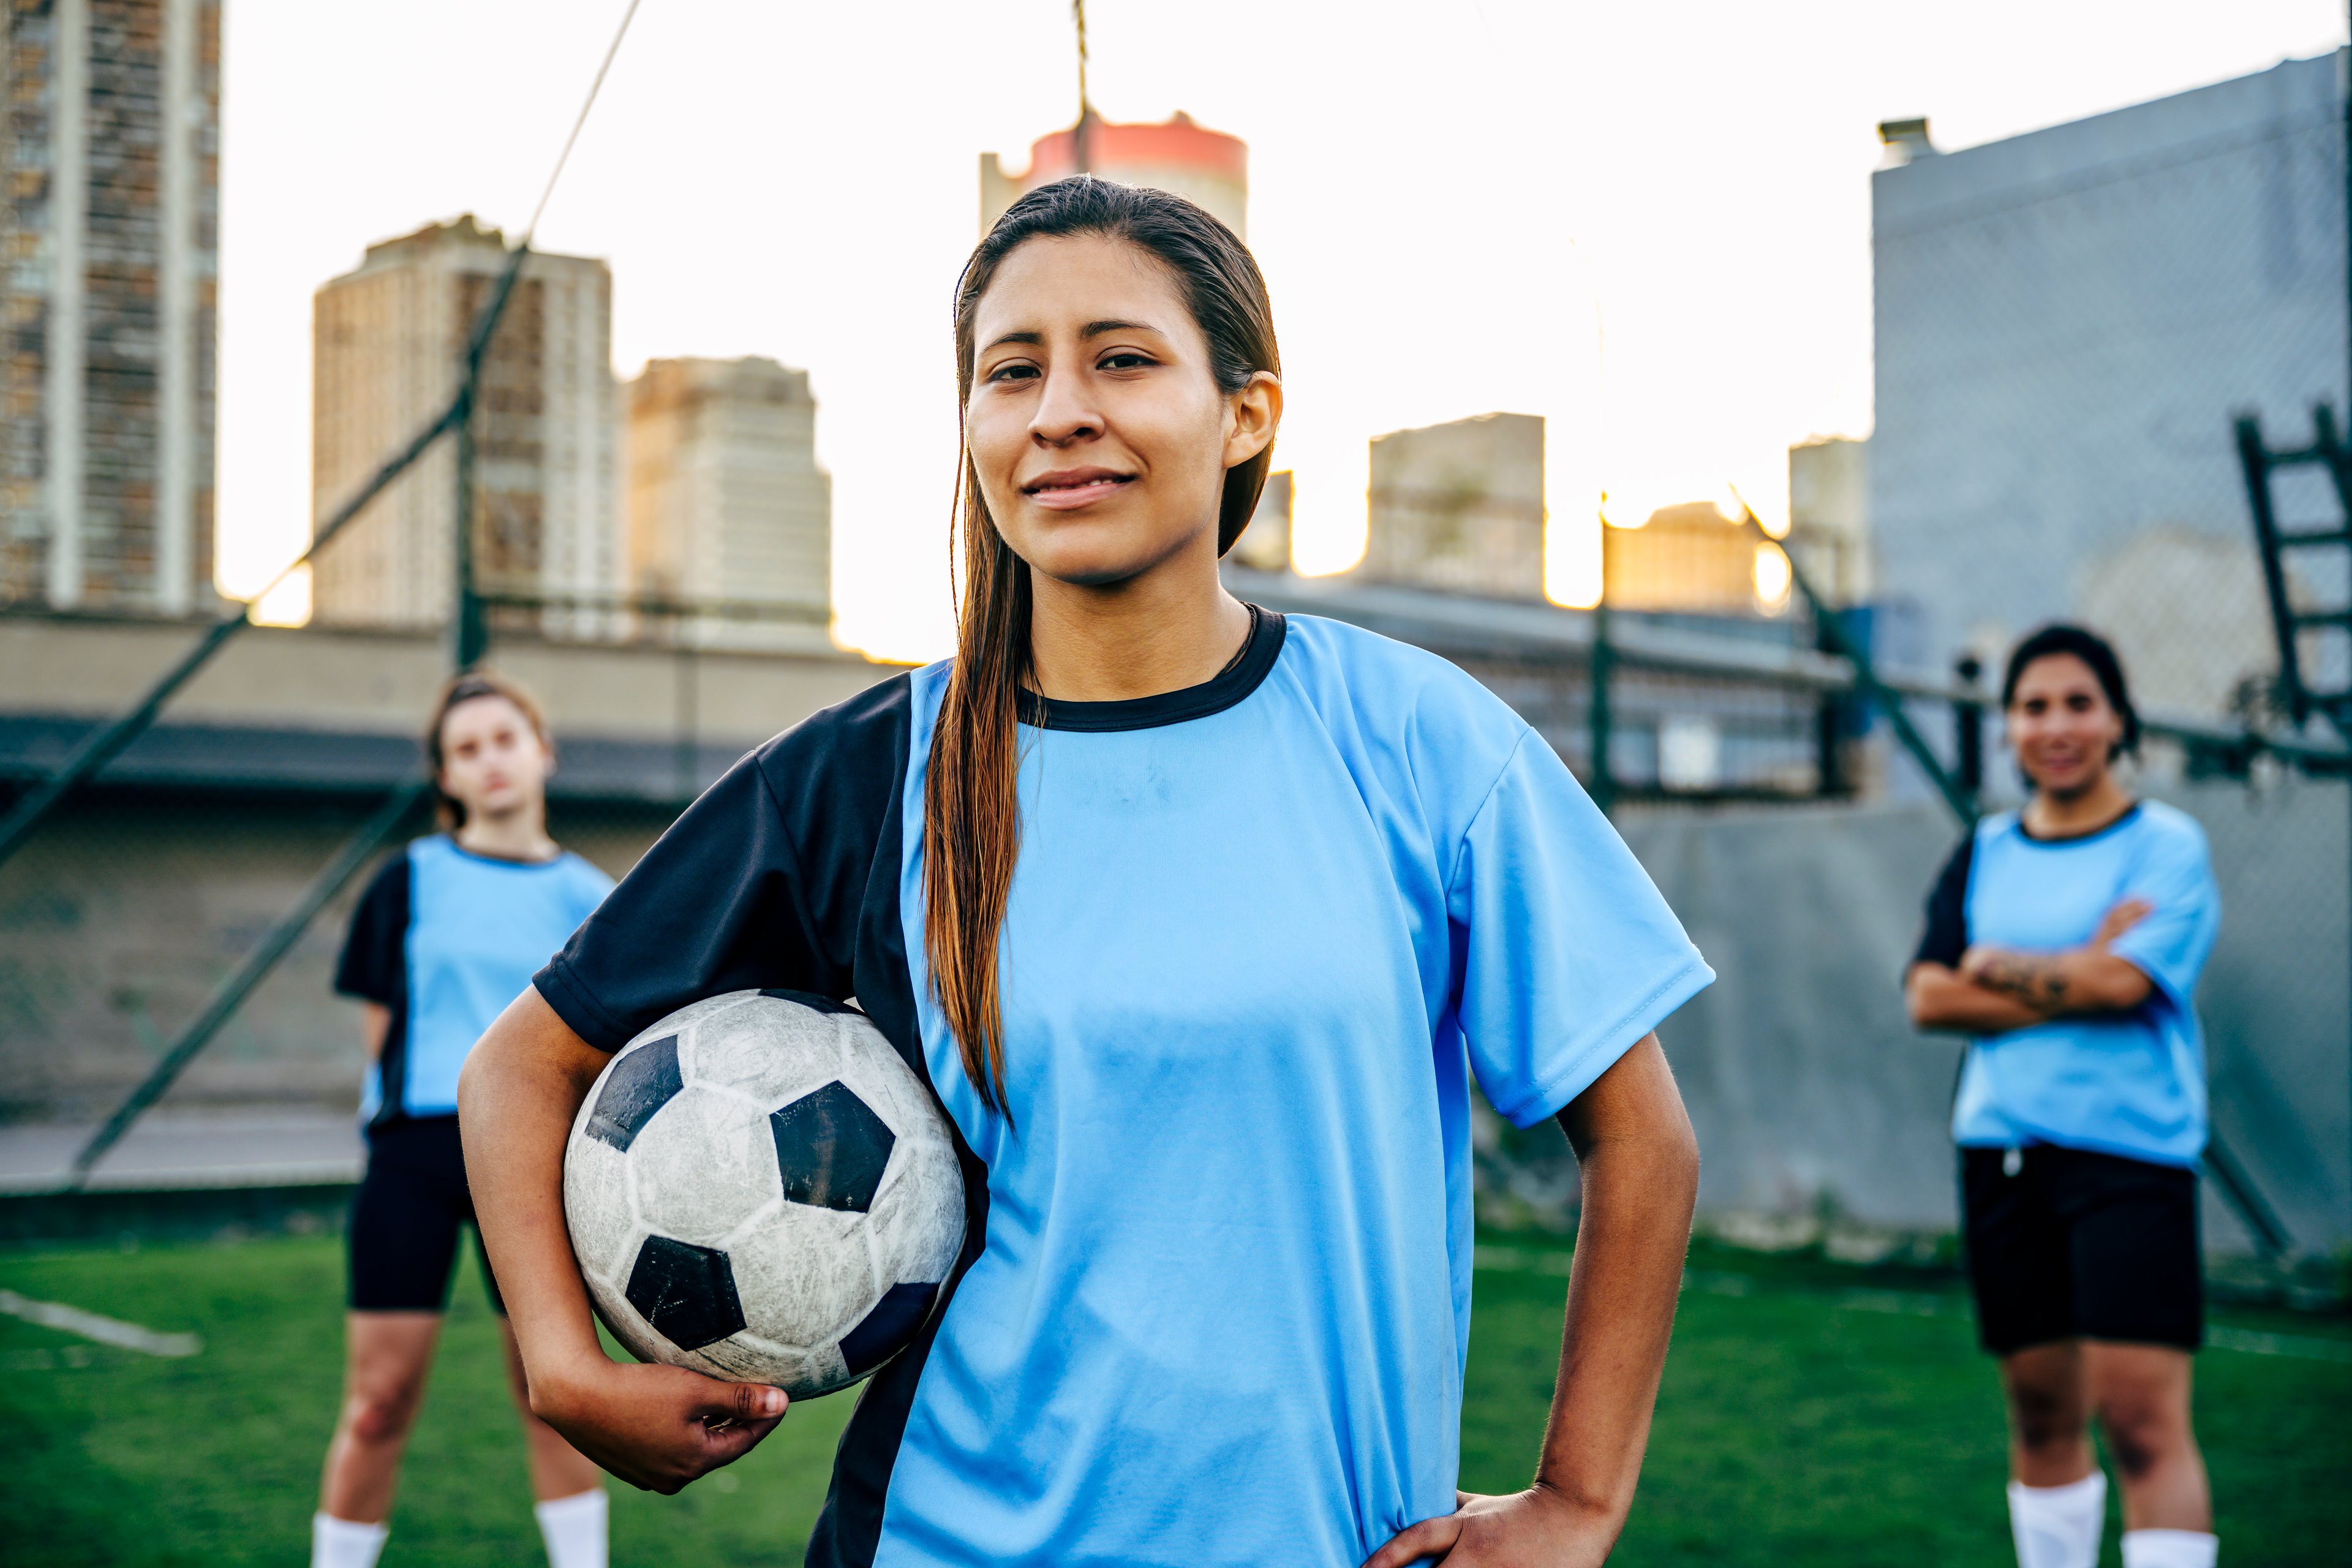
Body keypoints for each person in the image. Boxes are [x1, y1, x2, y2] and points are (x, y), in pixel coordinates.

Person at [462, 177, 1712, 1568]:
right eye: (1012, 372)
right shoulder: (879, 771)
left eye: (1121, 358)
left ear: (1247, 412)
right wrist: (561, 1364)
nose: (1058, 408)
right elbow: (523, 1061)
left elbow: (1641, 1134)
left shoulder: (1415, 737)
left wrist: (1579, 1501)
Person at [1905, 625, 2223, 1568]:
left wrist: (2000, 967)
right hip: (2001, 1153)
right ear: (2008, 725)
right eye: (2034, 705)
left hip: (2131, 1157)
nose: (2057, 725)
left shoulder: (2168, 846)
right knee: (2041, 1414)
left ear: (2118, 719)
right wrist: (2078, 966)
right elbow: (1927, 996)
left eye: (2079, 702)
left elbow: (2129, 988)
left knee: (2139, 1424)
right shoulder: (1985, 849)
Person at [315, 671, 616, 1568]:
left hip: (533, 1164)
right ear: (445, 776)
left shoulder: (595, 899)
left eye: (504, 739)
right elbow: (383, 1034)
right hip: (414, 1153)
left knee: (554, 1394)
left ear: (542, 751)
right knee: (377, 1401)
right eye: (466, 749)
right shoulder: (406, 882)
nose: (489, 761)